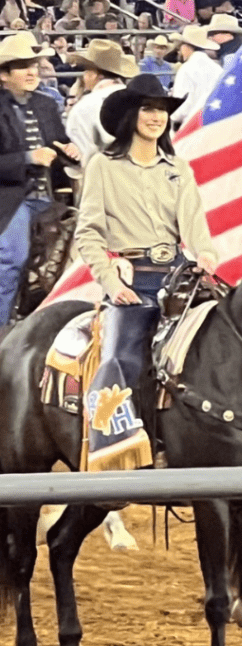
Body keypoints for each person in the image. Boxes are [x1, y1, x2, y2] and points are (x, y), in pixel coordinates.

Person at [74, 73, 217, 471]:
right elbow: (88, 232)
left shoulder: (178, 167)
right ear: (130, 115)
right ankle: (117, 450)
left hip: (178, 275)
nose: (157, 117)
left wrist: (205, 253)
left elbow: (194, 225)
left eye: (163, 110)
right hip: (132, 278)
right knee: (121, 358)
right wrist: (110, 281)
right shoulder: (103, 166)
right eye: (148, 109)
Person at [0, 32, 80, 327]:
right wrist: (28, 158)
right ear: (4, 75)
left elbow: (59, 143)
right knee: (13, 260)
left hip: (47, 197)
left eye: (33, 65)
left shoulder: (46, 105)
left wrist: (70, 152)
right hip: (8, 199)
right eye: (23, 66)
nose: (32, 71)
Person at [65, 39, 140, 167]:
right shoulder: (140, 100)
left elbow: (81, 155)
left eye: (86, 71)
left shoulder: (83, 107)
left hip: (100, 174)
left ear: (94, 74)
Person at [170, 25, 222, 128]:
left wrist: (172, 116)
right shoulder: (218, 69)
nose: (179, 51)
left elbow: (181, 106)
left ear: (185, 47)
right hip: (215, 123)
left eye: (180, 47)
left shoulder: (186, 69)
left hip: (192, 126)